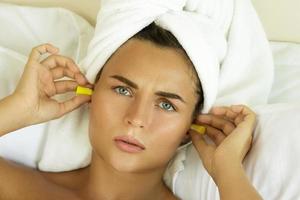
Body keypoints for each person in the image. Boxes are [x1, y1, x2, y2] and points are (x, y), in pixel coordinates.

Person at [0, 23, 261, 200]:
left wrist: (227, 170)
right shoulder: (20, 189)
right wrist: (19, 109)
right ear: (90, 94)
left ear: (189, 128)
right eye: (123, 90)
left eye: (167, 105)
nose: (136, 118)